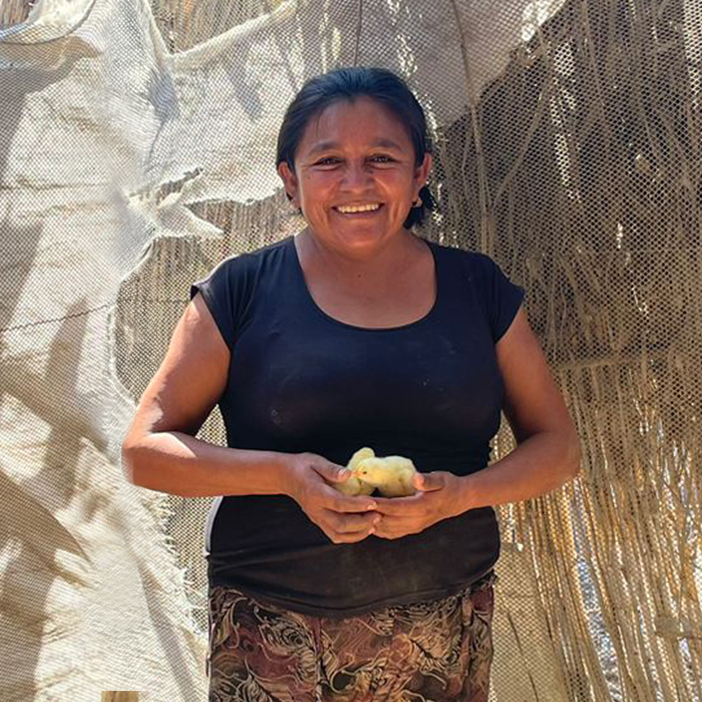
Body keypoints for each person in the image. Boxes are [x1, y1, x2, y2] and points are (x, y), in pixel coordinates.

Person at [121, 66, 581, 702]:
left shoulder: (478, 291)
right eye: (329, 160)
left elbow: (558, 448)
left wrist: (460, 495)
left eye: (382, 158)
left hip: (442, 626)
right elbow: (146, 450)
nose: (356, 182)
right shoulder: (241, 291)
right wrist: (285, 476)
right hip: (272, 631)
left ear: (420, 172)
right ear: (290, 179)